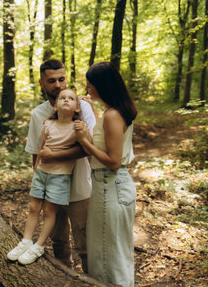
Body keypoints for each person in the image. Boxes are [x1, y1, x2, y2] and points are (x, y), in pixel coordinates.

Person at [23, 59, 96, 271]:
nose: (58, 85)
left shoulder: (83, 107)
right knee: (59, 242)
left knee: (86, 244)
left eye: (62, 79)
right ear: (41, 83)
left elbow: (91, 146)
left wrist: (55, 155)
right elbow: (36, 152)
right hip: (51, 188)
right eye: (52, 80)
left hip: (80, 188)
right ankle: (65, 279)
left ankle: (92, 282)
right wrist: (39, 184)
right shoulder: (39, 114)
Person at [74, 61, 137, 286]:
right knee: (116, 251)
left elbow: (112, 161)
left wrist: (84, 142)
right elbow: (104, 141)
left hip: (110, 185)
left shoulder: (113, 115)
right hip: (114, 186)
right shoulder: (116, 111)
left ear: (103, 85)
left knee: (107, 254)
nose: (87, 89)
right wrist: (91, 111)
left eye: (90, 85)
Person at [7, 89, 85, 265]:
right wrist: (36, 169)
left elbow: (85, 147)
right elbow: (41, 147)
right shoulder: (48, 124)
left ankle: (39, 245)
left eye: (71, 98)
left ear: (77, 107)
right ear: (56, 105)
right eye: (62, 98)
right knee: (34, 208)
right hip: (42, 173)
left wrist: (86, 123)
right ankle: (26, 241)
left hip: (60, 176)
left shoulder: (77, 127)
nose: (66, 100)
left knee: (50, 212)